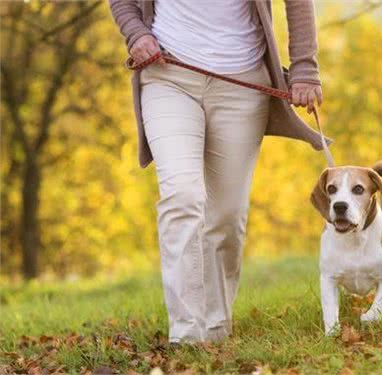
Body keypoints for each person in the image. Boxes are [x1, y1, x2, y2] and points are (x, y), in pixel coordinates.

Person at [108, 0, 327, 344]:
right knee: (182, 195)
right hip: (168, 75)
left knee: (226, 216)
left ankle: (215, 328)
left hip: (241, 84)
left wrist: (304, 69)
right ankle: (187, 336)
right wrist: (136, 34)